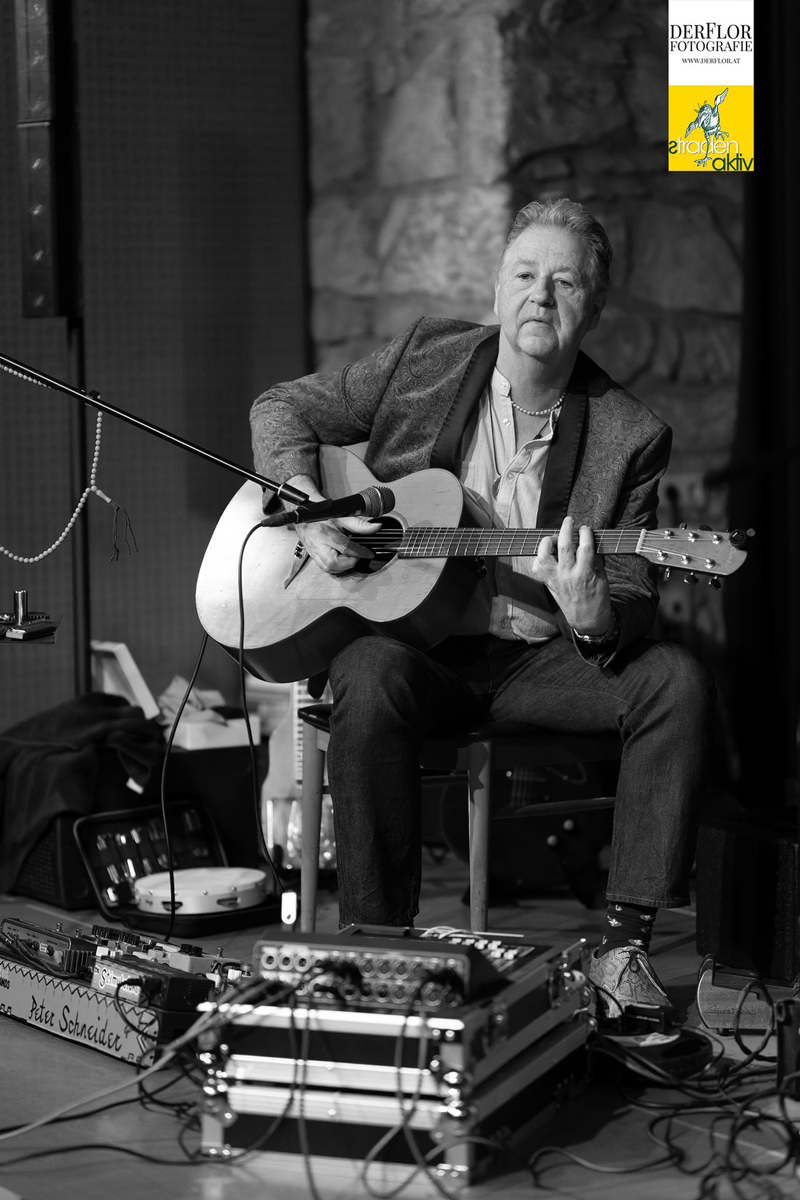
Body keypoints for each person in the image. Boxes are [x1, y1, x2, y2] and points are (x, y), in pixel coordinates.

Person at [250, 197, 716, 1019]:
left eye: (565, 282)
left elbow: (633, 593)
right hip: (413, 651)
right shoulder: (424, 358)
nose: (541, 295)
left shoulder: (631, 434)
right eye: (526, 275)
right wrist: (307, 506)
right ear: (497, 290)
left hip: (539, 663)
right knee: (366, 671)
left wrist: (593, 615)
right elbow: (280, 407)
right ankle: (378, 946)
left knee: (676, 681)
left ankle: (622, 951)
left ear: (593, 309)